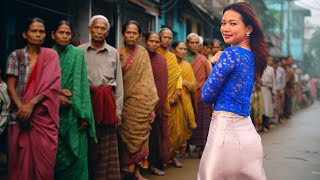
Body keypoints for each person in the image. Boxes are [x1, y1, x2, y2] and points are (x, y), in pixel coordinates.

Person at [198, 2, 268, 179]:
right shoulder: (251, 56)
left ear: (248, 29)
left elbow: (206, 96)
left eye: (233, 23)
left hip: (224, 131)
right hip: (246, 132)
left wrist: (214, 65)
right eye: (223, 23)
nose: (226, 28)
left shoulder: (230, 55)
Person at [6, 17, 61, 179]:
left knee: (45, 168)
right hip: (20, 117)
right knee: (19, 164)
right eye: (34, 31)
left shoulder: (51, 56)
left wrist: (31, 104)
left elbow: (52, 86)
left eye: (41, 31)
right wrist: (22, 108)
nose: (38, 34)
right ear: (25, 34)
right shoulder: (16, 56)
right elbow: (10, 86)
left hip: (43, 118)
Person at [79, 15, 123, 179]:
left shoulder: (113, 53)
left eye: (103, 28)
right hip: (86, 101)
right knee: (86, 141)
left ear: (107, 32)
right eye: (96, 28)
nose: (99, 31)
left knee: (105, 144)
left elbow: (119, 83)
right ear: (89, 30)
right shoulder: (79, 51)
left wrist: (118, 111)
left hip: (107, 103)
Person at [51, 20, 96, 179]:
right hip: (52, 113)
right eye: (61, 32)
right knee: (56, 156)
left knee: (78, 158)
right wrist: (56, 95)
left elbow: (82, 84)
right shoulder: (48, 55)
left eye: (68, 33)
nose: (64, 36)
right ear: (53, 35)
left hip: (75, 114)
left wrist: (83, 114)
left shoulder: (77, 54)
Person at [117, 20, 158, 180]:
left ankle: (137, 171)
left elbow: (148, 81)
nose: (131, 36)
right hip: (123, 103)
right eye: (128, 32)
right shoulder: (117, 53)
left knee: (141, 139)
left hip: (141, 105)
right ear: (123, 35)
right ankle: (123, 170)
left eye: (135, 33)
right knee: (122, 138)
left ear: (140, 36)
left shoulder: (142, 53)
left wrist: (150, 108)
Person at [157, 27, 183, 168]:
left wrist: (178, 89)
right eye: (164, 37)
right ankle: (159, 159)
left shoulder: (172, 57)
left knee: (174, 131)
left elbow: (177, 75)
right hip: (157, 99)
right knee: (158, 132)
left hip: (172, 99)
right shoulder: (153, 54)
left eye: (169, 37)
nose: (167, 40)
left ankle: (171, 156)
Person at [144, 32, 168, 176]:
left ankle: (152, 164)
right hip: (137, 105)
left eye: (156, 41)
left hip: (156, 106)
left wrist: (154, 107)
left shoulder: (162, 60)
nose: (154, 44)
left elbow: (162, 85)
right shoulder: (140, 57)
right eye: (151, 41)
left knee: (154, 139)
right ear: (145, 41)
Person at [185, 33, 211, 158]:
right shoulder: (181, 58)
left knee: (202, 122)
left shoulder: (202, 59)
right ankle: (185, 147)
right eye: (192, 43)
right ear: (187, 44)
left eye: (197, 43)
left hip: (200, 95)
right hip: (184, 95)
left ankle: (201, 147)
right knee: (186, 121)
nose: (194, 45)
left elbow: (210, 77)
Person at [171, 40, 197, 157]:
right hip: (172, 101)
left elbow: (193, 86)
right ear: (173, 50)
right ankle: (167, 157)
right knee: (171, 130)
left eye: (184, 49)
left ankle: (175, 156)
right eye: (180, 49)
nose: (183, 51)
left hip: (184, 101)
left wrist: (186, 84)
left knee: (182, 131)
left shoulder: (187, 66)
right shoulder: (169, 64)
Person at [261, 57, 276, 132]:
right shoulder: (259, 67)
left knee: (267, 108)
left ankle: (266, 124)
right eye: (269, 60)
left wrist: (274, 93)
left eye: (271, 60)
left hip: (267, 90)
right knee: (261, 108)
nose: (271, 61)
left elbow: (274, 82)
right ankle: (261, 124)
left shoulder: (271, 69)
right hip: (260, 90)